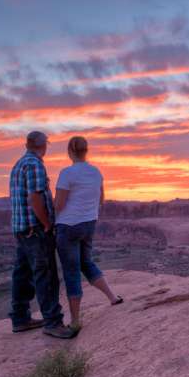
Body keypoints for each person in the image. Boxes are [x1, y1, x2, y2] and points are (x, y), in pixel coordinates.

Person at [9, 131, 75, 339]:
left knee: (23, 273)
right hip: (36, 229)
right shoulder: (35, 164)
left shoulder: (19, 164)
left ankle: (20, 318)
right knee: (45, 275)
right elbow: (35, 198)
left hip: (21, 228)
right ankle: (53, 322)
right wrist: (47, 224)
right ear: (43, 145)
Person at [54, 136, 122, 332]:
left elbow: (59, 204)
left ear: (69, 151)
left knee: (71, 271)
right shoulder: (96, 172)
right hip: (89, 224)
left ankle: (75, 321)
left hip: (68, 226)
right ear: (86, 151)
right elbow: (102, 199)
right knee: (86, 262)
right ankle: (113, 297)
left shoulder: (67, 173)